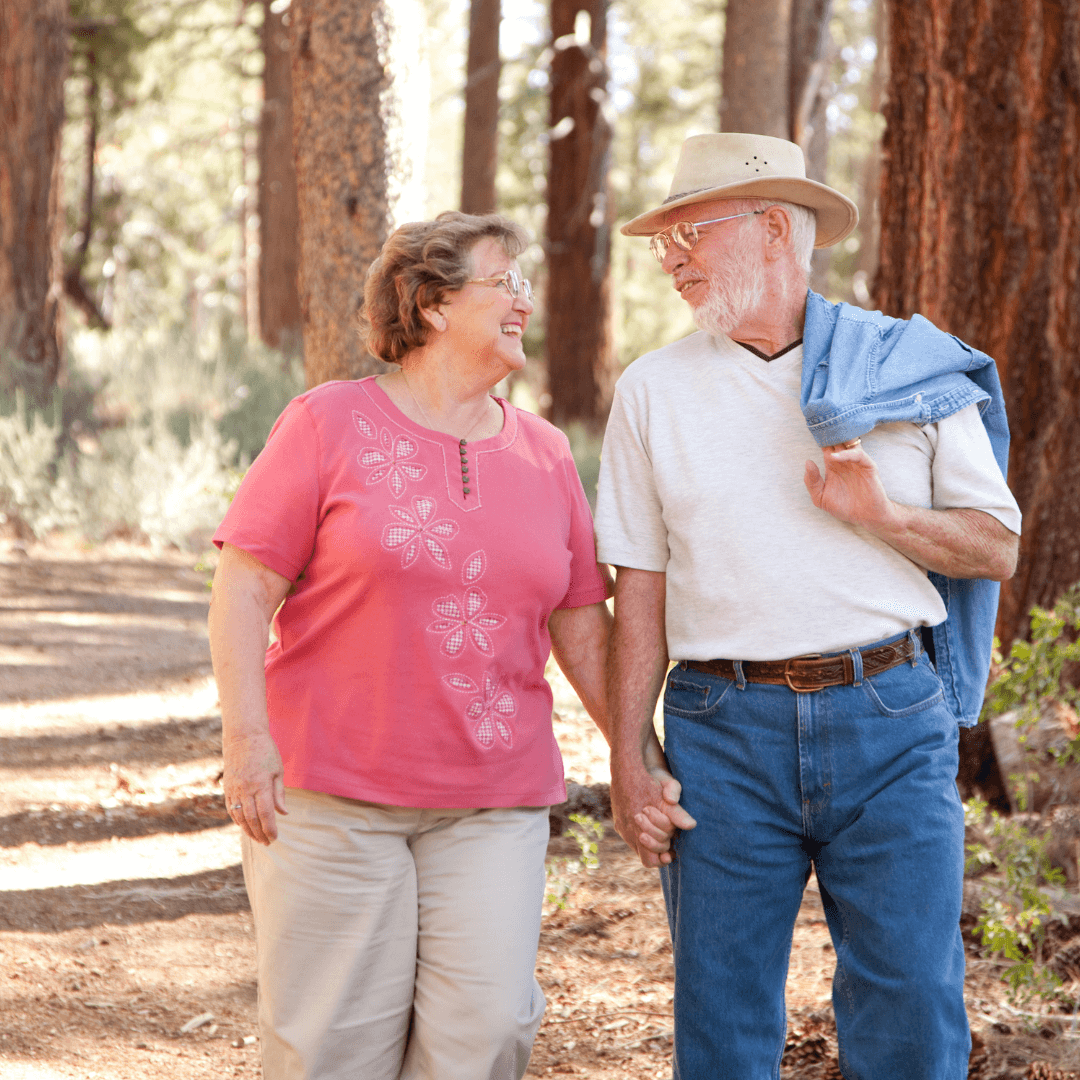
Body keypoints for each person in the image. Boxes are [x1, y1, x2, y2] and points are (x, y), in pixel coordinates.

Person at [208, 211, 685, 1080]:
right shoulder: (328, 423)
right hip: (333, 796)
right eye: (505, 282)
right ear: (431, 306)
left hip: (492, 802)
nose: (524, 302)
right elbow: (243, 586)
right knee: (330, 1050)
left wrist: (633, 752)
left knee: (489, 1032)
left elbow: (582, 619)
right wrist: (246, 738)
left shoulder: (543, 453)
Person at [595, 133, 1022, 1079]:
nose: (673, 260)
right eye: (662, 242)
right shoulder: (651, 392)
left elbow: (996, 543)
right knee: (722, 1013)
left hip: (890, 718)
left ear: (775, 228)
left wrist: (884, 515)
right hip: (721, 728)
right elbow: (642, 586)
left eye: (691, 234)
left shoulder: (904, 369)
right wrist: (629, 756)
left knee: (911, 1003)